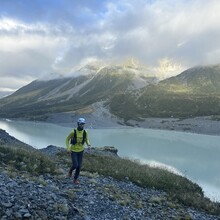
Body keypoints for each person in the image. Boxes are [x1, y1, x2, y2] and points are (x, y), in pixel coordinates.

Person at [66, 117, 91, 184]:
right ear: (78, 124)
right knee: (75, 165)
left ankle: (75, 179)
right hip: (73, 151)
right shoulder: (73, 132)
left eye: (83, 124)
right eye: (81, 124)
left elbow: (86, 139)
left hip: (81, 151)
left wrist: (88, 144)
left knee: (79, 166)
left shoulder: (85, 132)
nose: (82, 125)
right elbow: (67, 139)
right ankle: (70, 171)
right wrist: (68, 148)